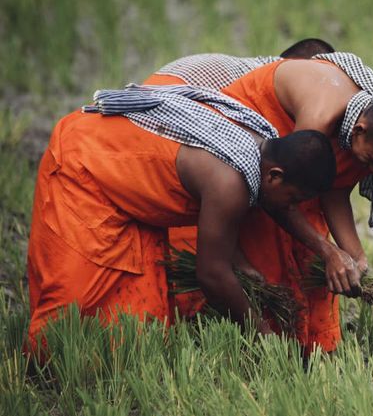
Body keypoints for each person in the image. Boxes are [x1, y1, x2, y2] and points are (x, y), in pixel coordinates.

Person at [143, 51, 373, 353]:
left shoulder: (361, 129)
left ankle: (304, 343)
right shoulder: (320, 117)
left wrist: (354, 255)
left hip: (286, 171)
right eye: (370, 162)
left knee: (305, 254)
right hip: (250, 149)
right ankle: (243, 341)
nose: (371, 172)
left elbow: (336, 188)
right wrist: (327, 251)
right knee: (256, 247)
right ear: (360, 130)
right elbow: (282, 193)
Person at [25, 83, 337, 353]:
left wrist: (249, 268)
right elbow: (211, 274)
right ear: (275, 176)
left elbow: (252, 219)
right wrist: (262, 336)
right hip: (84, 164)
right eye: (294, 199)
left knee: (138, 324)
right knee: (69, 317)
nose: (291, 206)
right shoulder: (229, 183)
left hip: (131, 196)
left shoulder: (263, 139)